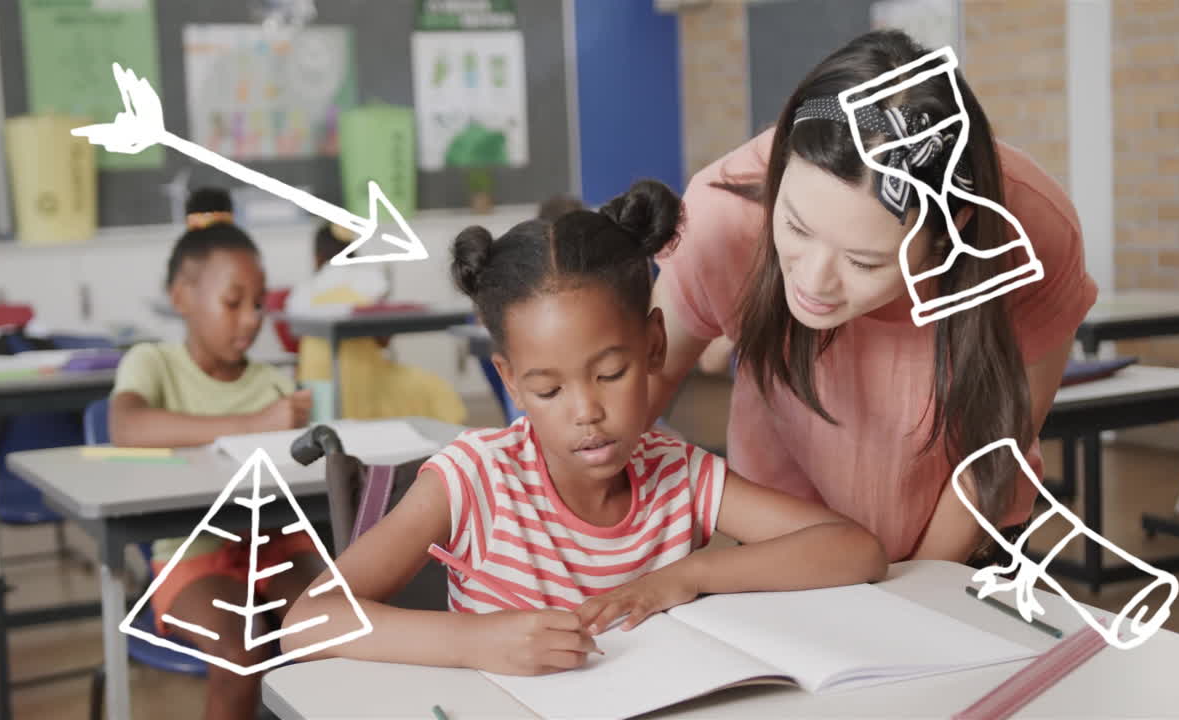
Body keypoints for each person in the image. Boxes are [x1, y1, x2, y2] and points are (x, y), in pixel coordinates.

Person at [281, 180, 886, 675]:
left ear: (654, 344)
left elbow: (855, 550)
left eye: (612, 373)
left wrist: (687, 575)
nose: (585, 412)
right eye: (548, 390)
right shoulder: (473, 479)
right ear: (511, 382)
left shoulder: (678, 474)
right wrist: (472, 642)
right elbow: (306, 623)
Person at [647, 30, 1097, 567]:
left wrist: (923, 591)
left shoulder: (1032, 233)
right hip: (787, 535)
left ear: (949, 234)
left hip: (963, 535)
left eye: (863, 262)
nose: (814, 281)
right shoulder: (722, 216)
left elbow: (993, 453)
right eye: (794, 226)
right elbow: (630, 398)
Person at [110, 223, 320, 720]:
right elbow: (126, 426)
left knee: (332, 634)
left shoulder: (273, 383)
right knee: (240, 651)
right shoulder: (153, 363)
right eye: (233, 302)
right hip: (193, 555)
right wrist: (253, 425)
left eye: (259, 303)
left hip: (278, 544)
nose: (250, 318)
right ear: (182, 296)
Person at [286, 222, 467, 423]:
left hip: (317, 385)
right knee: (435, 389)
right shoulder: (370, 282)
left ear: (317, 256)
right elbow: (383, 340)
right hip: (366, 380)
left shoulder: (303, 291)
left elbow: (293, 338)